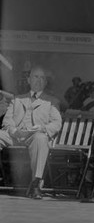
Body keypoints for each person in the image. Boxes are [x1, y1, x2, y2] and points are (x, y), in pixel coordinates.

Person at [0, 66, 61, 199]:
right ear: (28, 80)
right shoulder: (17, 99)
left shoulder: (52, 101)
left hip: (34, 136)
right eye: (35, 76)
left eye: (42, 78)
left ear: (45, 82)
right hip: (15, 135)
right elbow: (8, 120)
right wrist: (13, 130)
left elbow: (56, 123)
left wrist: (42, 128)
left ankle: (36, 183)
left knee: (41, 138)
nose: (39, 80)